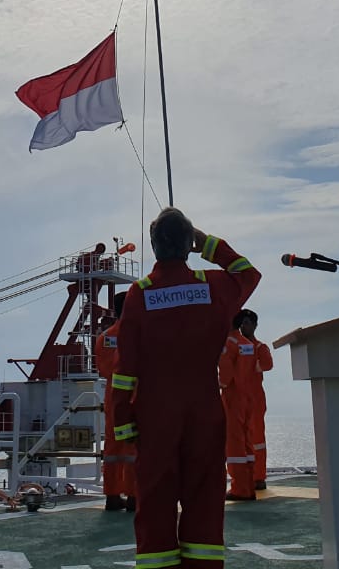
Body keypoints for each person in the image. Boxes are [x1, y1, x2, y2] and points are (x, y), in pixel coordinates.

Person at [110, 208, 260, 569]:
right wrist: (207, 243)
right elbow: (248, 273)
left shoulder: (139, 294)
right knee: (205, 497)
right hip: (205, 409)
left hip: (156, 412)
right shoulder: (213, 287)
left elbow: (124, 372)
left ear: (154, 246)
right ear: (188, 245)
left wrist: (123, 423)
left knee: (156, 500)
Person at [94, 293, 137, 511]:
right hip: (134, 394)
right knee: (132, 447)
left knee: (112, 446)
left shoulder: (105, 337)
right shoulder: (137, 334)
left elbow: (103, 369)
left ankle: (112, 495)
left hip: (112, 396)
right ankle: (133, 496)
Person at [218, 315, 257, 500]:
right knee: (247, 442)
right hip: (248, 397)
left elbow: (225, 375)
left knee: (234, 444)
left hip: (233, 398)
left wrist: (219, 385)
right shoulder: (246, 344)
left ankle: (239, 488)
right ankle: (249, 486)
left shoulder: (229, 343)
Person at [235, 309, 272, 490]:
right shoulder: (234, 345)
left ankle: (258, 477)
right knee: (239, 440)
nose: (244, 326)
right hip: (237, 400)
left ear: (255, 325)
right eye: (242, 323)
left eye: (247, 323)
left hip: (255, 400)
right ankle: (243, 478)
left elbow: (267, 364)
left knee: (257, 439)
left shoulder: (260, 348)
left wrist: (248, 363)